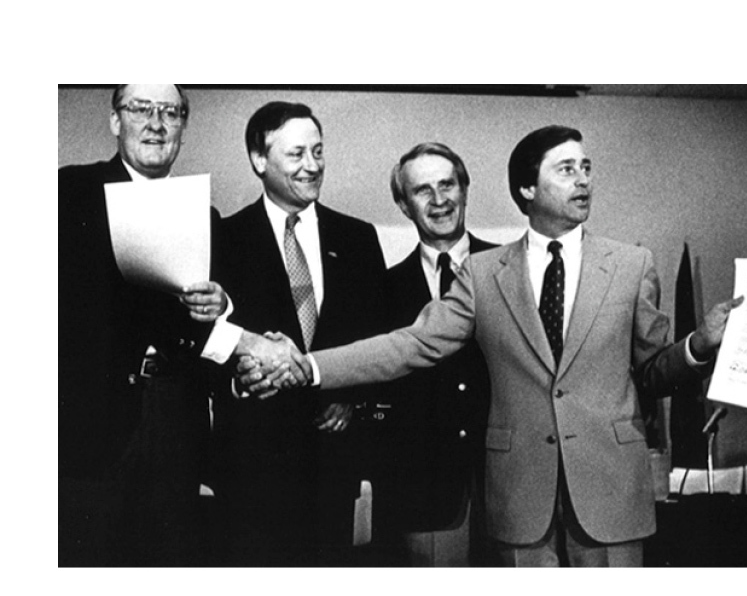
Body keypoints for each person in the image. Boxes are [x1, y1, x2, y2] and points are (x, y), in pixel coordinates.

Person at [243, 126, 741, 567]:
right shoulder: (483, 275)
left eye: (586, 168)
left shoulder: (633, 265)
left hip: (611, 495)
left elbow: (653, 371)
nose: (583, 180)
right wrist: (306, 366)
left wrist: (699, 344)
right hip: (521, 503)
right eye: (566, 169)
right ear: (527, 188)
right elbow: (411, 344)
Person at [59, 84, 237, 566]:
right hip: (89, 418)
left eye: (170, 113)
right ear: (115, 121)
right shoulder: (68, 192)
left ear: (183, 128)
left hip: (178, 417)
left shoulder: (207, 218)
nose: (156, 124)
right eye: (141, 109)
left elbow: (218, 323)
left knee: (169, 560)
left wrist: (221, 304)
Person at [213, 102, 391, 566]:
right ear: (259, 160)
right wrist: (239, 382)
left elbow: (381, 339)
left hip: (333, 460)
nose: (312, 166)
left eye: (318, 151)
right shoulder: (224, 240)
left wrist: (350, 395)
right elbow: (202, 340)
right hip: (252, 463)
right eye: (296, 154)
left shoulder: (358, 239)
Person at [380, 143, 496, 566]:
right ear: (403, 205)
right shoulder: (382, 288)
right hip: (424, 496)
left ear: (464, 189)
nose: (439, 199)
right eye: (422, 190)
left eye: (447, 185)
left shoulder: (512, 270)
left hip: (509, 488)